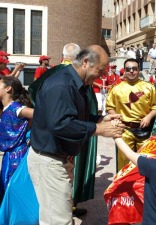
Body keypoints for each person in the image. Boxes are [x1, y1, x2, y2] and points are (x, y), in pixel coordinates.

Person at [27, 45, 125, 225]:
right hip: (49, 161)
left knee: (54, 216)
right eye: (100, 70)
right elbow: (61, 124)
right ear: (86, 62)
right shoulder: (62, 84)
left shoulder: (76, 83)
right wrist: (99, 129)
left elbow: (76, 116)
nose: (102, 76)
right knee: (59, 220)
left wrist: (102, 119)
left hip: (58, 159)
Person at [106, 58, 156, 171]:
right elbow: (110, 107)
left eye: (134, 69)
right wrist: (116, 118)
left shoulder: (149, 87)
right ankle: (124, 187)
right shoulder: (116, 89)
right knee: (124, 164)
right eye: (128, 69)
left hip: (145, 130)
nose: (131, 71)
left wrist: (148, 117)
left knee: (146, 162)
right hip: (125, 130)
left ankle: (143, 187)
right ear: (124, 71)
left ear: (139, 70)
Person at [0, 76, 33, 201]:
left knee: (15, 191)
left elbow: (39, 114)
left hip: (18, 157)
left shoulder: (17, 108)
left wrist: (28, 131)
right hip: (9, 156)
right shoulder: (5, 108)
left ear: (8, 89)